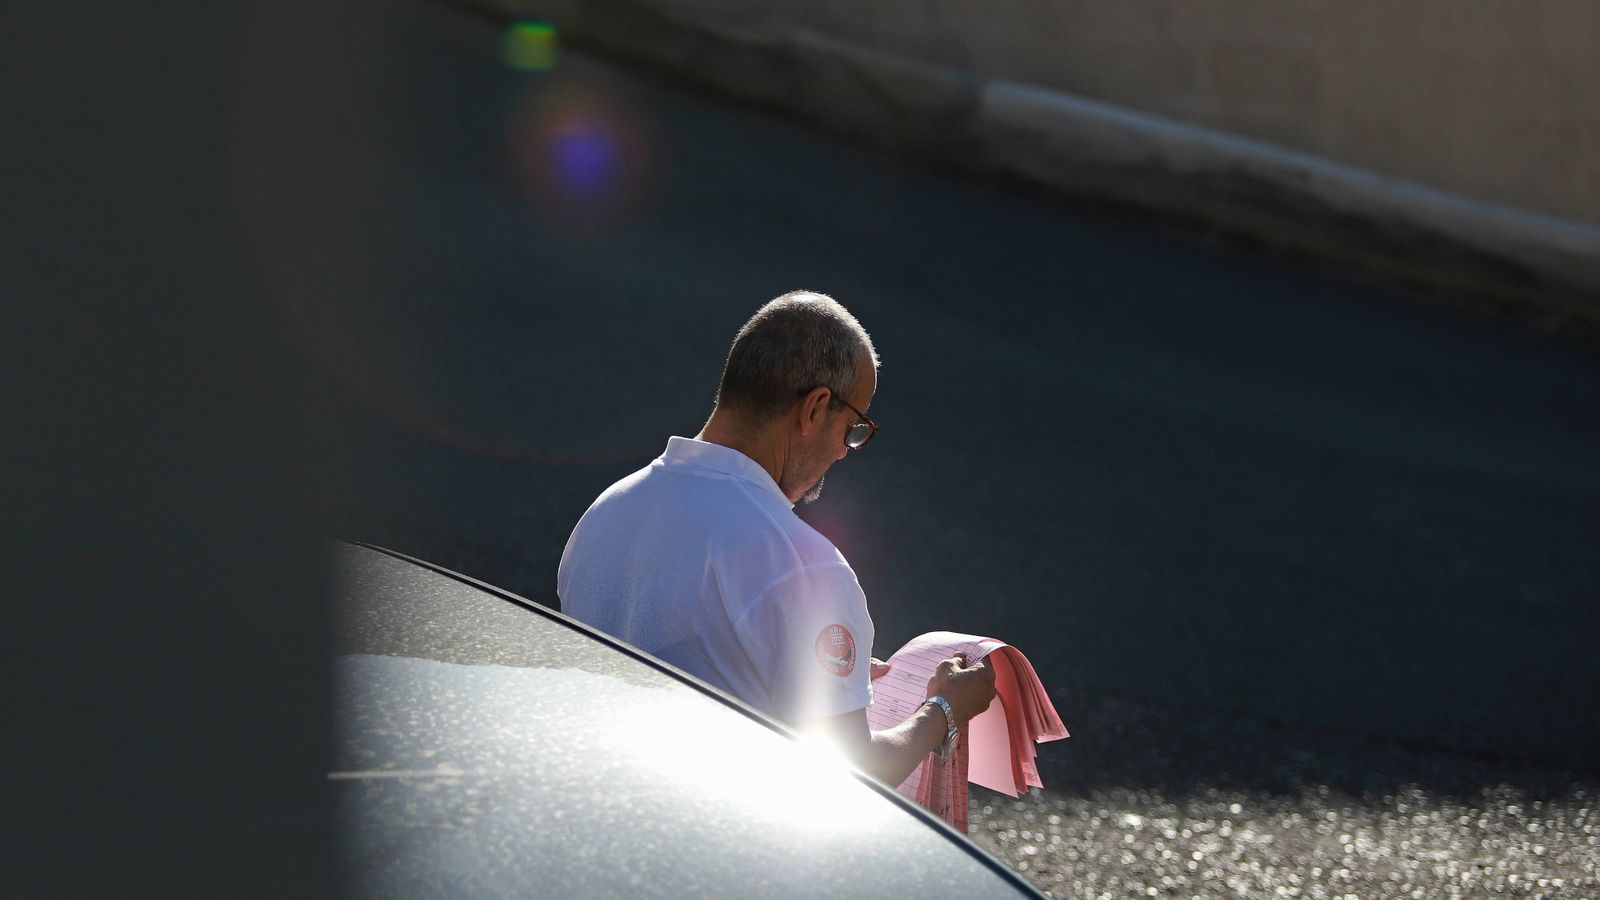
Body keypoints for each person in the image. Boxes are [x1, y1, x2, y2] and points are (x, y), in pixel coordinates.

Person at [558, 290, 996, 788]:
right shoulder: (806, 567)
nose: (846, 452)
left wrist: (822, 676)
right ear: (814, 408)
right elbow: (852, 772)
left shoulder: (607, 508)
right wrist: (943, 710)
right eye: (853, 429)